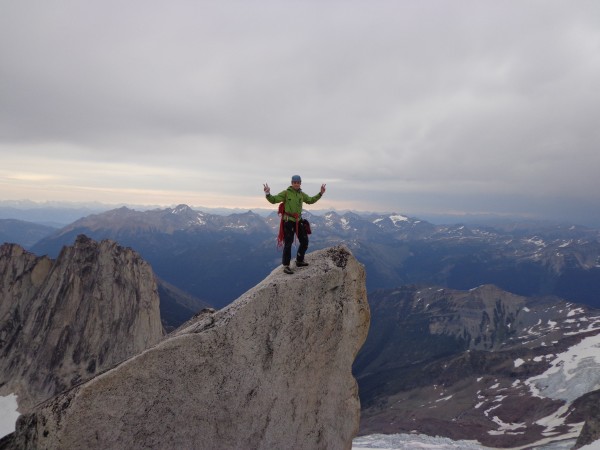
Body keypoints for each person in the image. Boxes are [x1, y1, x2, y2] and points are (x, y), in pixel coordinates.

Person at [264, 175, 326, 274]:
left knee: (304, 241)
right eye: (294, 182)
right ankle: (286, 265)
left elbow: (310, 200)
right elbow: (274, 200)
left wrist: (320, 193)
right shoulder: (286, 193)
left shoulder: (301, 194)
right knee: (288, 243)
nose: (296, 184)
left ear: (300, 183)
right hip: (288, 221)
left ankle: (299, 261)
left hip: (298, 220)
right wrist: (267, 193)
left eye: (298, 182)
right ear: (292, 183)